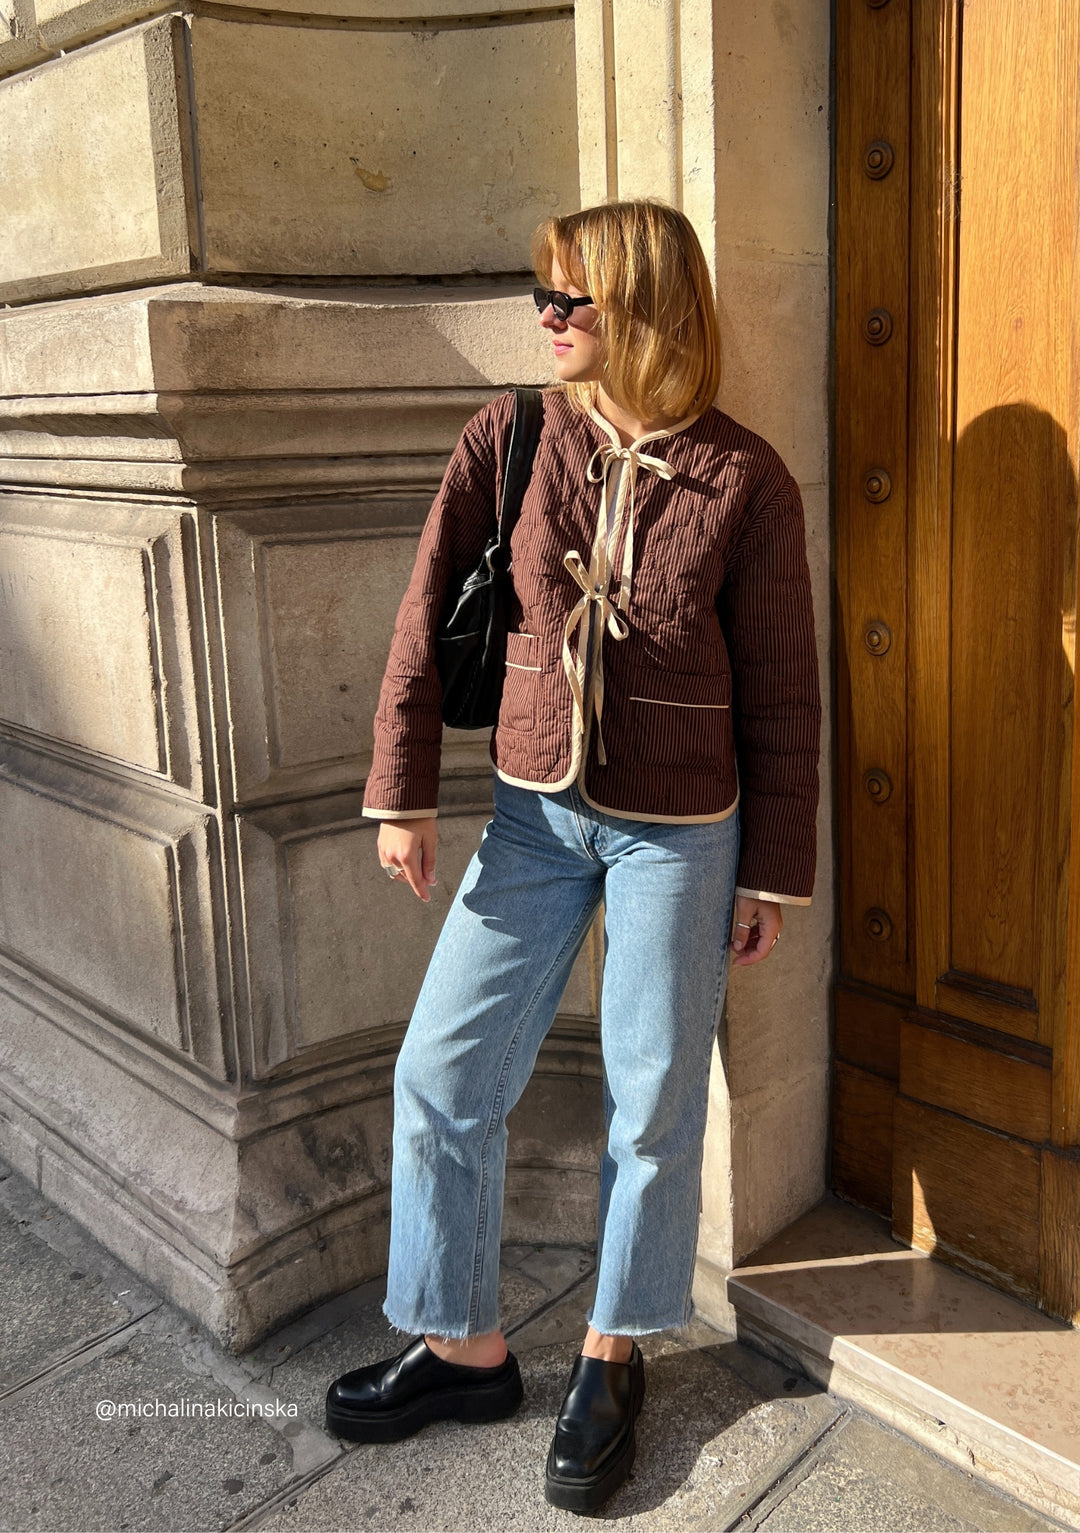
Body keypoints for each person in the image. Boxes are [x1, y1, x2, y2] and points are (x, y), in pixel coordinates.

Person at [325, 199, 821, 1513]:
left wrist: (770, 867)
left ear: (646, 307)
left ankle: (614, 1349)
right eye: (541, 295)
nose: (545, 319)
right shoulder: (512, 434)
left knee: (654, 1093)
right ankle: (464, 1343)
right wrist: (403, 789)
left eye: (571, 299)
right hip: (535, 814)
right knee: (441, 1066)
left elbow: (783, 686)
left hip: (682, 824)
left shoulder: (745, 478)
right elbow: (429, 610)